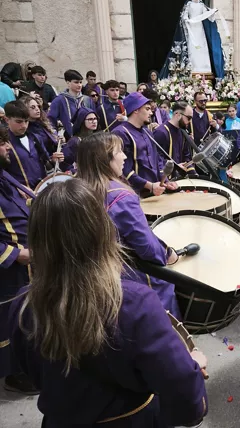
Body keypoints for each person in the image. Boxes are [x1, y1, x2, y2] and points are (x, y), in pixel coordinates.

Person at [8, 178, 208, 426]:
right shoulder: (135, 304)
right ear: (102, 231)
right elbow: (185, 395)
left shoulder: (22, 307)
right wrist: (193, 367)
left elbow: (37, 375)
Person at [77, 133, 181, 315]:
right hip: (128, 276)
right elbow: (147, 247)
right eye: (119, 152)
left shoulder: (78, 190)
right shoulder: (120, 196)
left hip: (92, 277)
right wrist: (167, 254)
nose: (125, 156)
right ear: (105, 159)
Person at [0, 126, 37, 394]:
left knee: (27, 316)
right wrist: (14, 254)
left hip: (25, 264)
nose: (8, 147)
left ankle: (28, 365)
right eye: (2, 144)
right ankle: (14, 374)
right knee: (10, 320)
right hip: (9, 268)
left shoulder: (3, 175)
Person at [112, 92, 171, 197]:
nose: (151, 113)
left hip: (155, 189)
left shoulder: (147, 131)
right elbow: (124, 170)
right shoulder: (120, 133)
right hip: (135, 193)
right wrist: (149, 185)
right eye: (147, 109)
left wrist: (165, 180)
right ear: (136, 110)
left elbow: (157, 159)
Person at [160, 0, 224, 79]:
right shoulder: (189, 4)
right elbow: (184, 16)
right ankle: (192, 68)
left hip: (200, 29)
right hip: (191, 29)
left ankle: (204, 68)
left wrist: (212, 12)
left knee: (202, 48)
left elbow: (207, 16)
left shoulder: (202, 5)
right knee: (193, 48)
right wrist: (187, 20)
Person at [4, 101, 63, 189]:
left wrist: (54, 160)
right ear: (7, 119)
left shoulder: (36, 138)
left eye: (26, 121)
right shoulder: (4, 143)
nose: (24, 125)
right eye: (19, 122)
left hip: (42, 189)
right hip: (21, 194)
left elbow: (46, 162)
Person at [153, 101, 196, 178]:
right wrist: (175, 166)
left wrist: (194, 175)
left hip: (178, 179)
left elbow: (186, 156)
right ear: (177, 115)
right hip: (165, 180)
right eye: (188, 118)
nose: (189, 122)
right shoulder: (161, 132)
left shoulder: (182, 132)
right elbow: (156, 159)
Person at [48, 69, 93, 139]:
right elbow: (50, 121)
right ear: (68, 83)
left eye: (81, 82)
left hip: (87, 138)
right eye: (76, 82)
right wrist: (56, 135)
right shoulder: (59, 100)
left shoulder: (87, 100)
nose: (79, 85)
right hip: (68, 139)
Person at [61, 106, 98, 171]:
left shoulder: (96, 138)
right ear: (82, 121)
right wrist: (75, 173)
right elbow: (64, 162)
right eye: (90, 119)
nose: (94, 121)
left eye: (95, 118)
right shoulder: (75, 141)